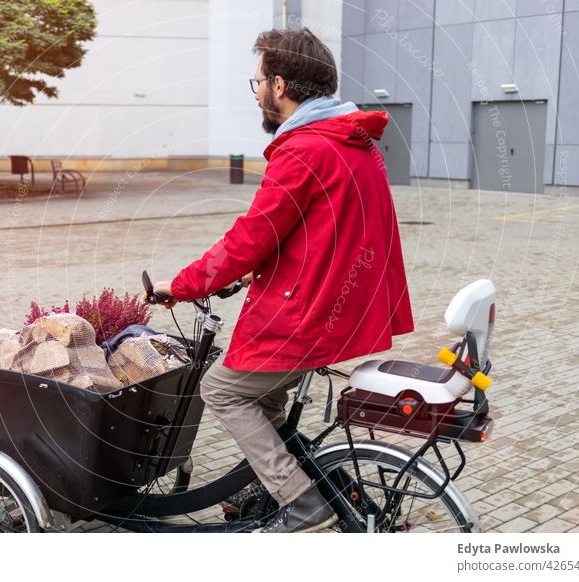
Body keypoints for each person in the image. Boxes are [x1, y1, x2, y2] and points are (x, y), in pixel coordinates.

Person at [148, 27, 414, 532]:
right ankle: (301, 487)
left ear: (279, 84)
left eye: (257, 84)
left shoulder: (305, 149)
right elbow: (318, 233)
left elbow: (251, 237)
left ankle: (300, 502)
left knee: (222, 390)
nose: (257, 95)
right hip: (341, 310)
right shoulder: (354, 142)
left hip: (306, 315)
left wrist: (182, 285)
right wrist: (256, 272)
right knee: (265, 399)